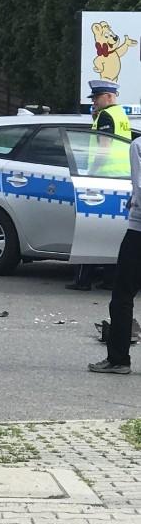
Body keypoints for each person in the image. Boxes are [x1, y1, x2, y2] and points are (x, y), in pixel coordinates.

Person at [66, 79, 129, 291]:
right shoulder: (121, 115)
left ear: (109, 97)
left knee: (89, 230)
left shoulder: (106, 116)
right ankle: (109, 279)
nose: (93, 102)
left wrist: (91, 171)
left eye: (96, 97)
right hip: (120, 179)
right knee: (110, 233)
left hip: (102, 179)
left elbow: (103, 147)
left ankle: (82, 279)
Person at [88, 135, 141, 374]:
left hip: (139, 232)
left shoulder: (138, 145)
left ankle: (119, 359)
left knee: (122, 295)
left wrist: (135, 202)